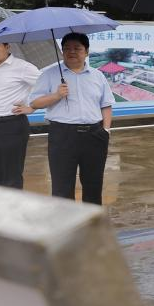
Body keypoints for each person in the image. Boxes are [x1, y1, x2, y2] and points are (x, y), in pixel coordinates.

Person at [27, 32, 114, 205]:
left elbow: (106, 104)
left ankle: (91, 224)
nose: (71, 52)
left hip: (94, 135)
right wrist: (57, 95)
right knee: (62, 186)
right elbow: (35, 103)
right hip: (63, 135)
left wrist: (106, 130)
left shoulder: (97, 76)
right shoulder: (49, 74)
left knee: (93, 184)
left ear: (86, 51)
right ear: (62, 51)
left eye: (77, 48)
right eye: (66, 48)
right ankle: (67, 227)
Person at [0, 42, 40, 188]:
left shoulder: (23, 67)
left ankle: (12, 210)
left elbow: (46, 86)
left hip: (10, 125)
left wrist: (32, 107)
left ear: (7, 46)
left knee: (10, 177)